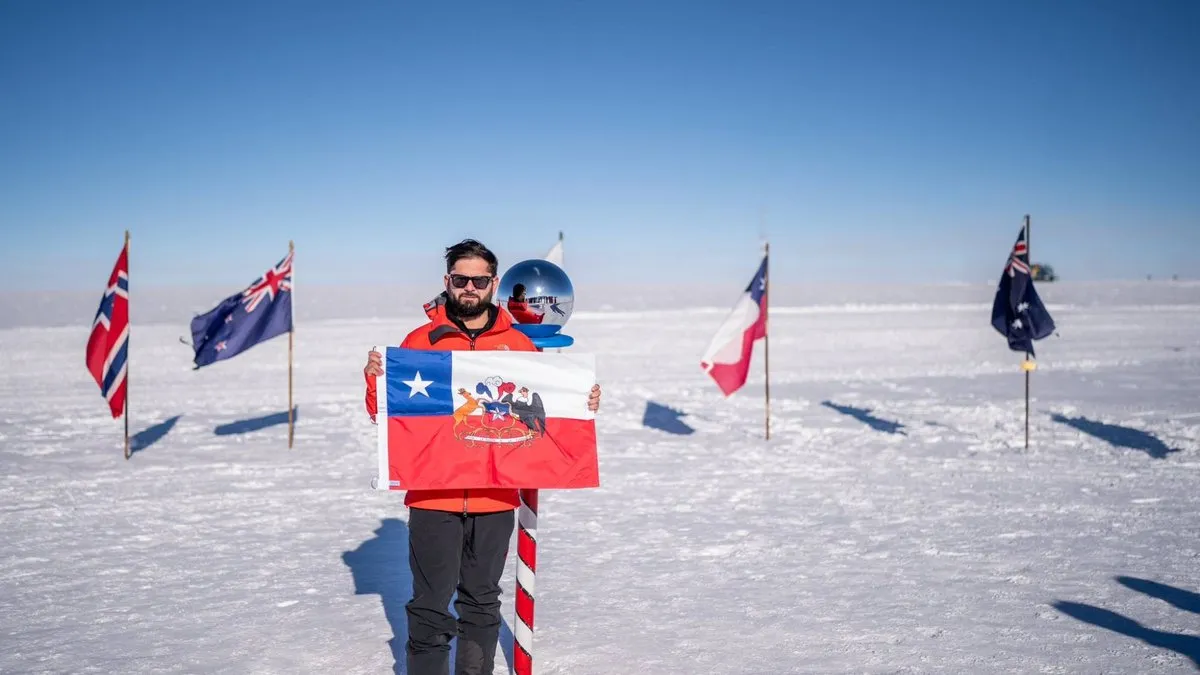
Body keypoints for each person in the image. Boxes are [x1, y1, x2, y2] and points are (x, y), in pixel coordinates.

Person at [362, 239, 600, 675]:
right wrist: (377, 380)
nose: (469, 288)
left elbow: (540, 409)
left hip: (495, 497)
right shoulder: (420, 341)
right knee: (430, 603)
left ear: (494, 283)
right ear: (447, 281)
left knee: (482, 600)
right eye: (460, 279)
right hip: (434, 495)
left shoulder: (518, 344)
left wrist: (580, 401)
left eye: (479, 280)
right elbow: (389, 416)